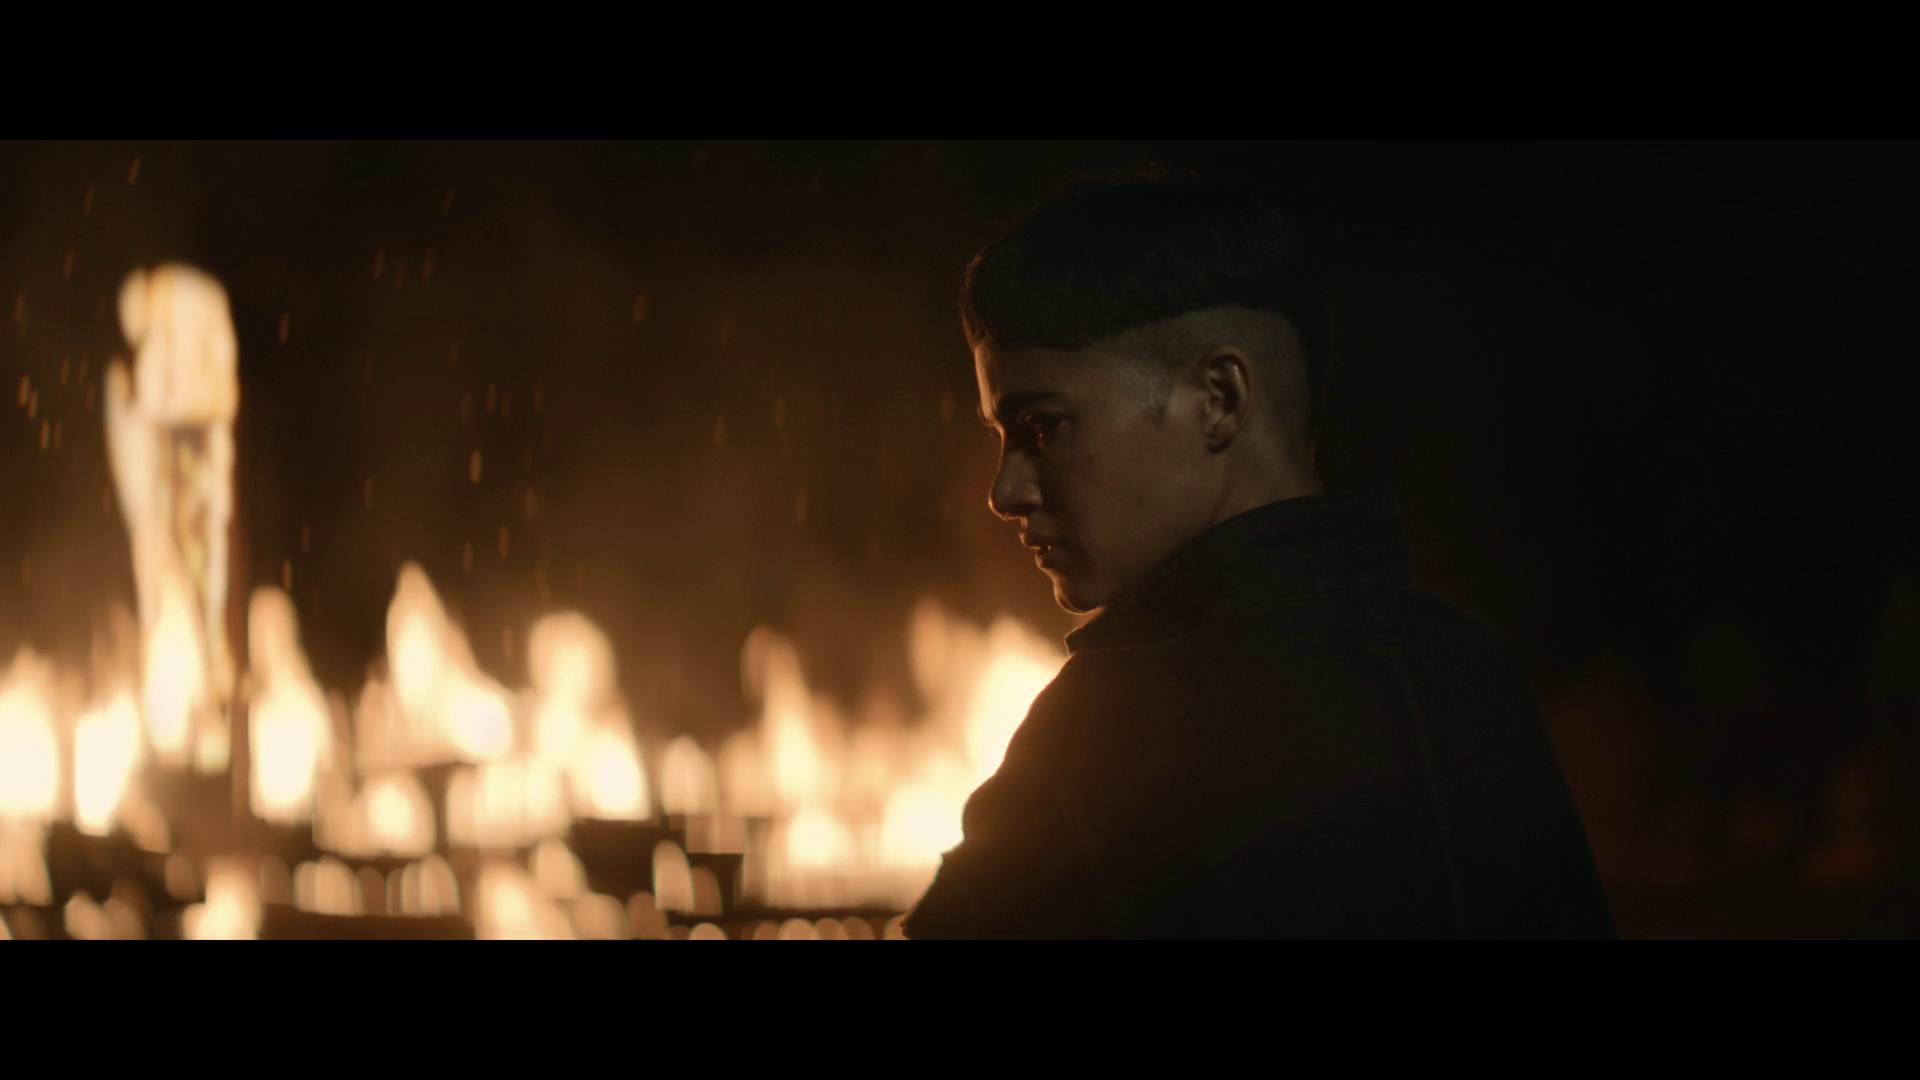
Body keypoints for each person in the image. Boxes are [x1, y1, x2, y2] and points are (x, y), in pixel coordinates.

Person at [902, 173, 1616, 938]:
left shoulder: (1122, 722)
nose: (1004, 492)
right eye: (1001, 436)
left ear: (1221, 397)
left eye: (1043, 425)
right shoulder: (1470, 672)